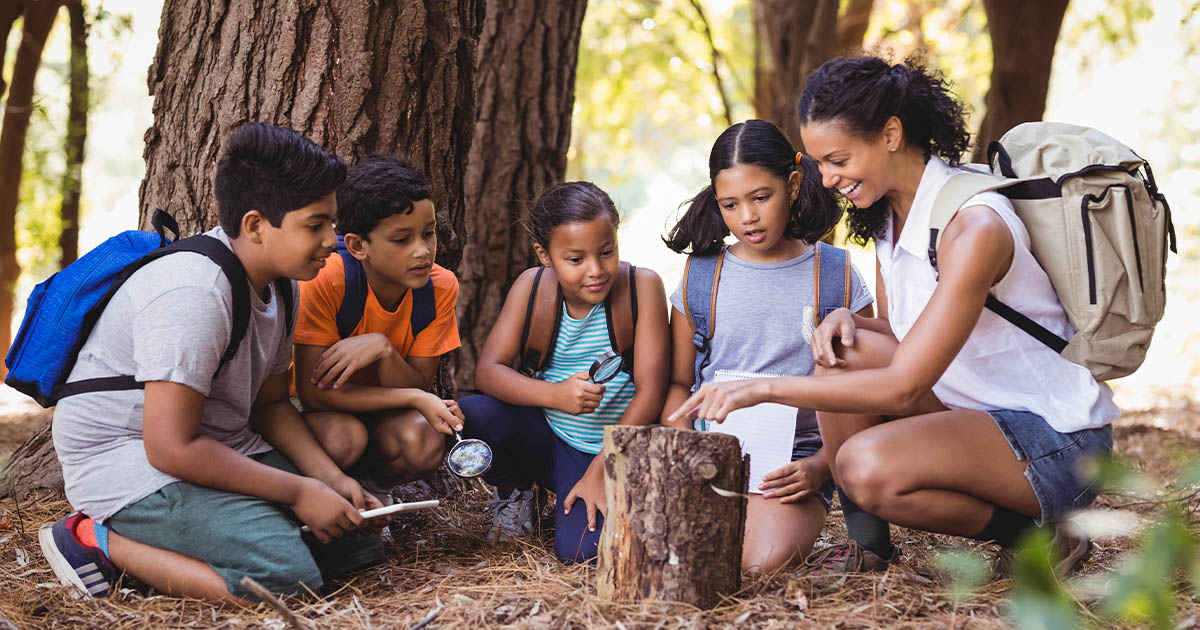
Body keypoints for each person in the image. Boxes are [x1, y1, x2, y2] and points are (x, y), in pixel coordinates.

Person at [667, 56, 1117, 576]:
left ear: (891, 134)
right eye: (819, 164)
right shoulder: (892, 217)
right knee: (841, 348)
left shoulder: (973, 228)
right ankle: (870, 547)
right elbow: (905, 334)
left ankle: (1040, 540)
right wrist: (848, 320)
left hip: (1054, 441)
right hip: (979, 414)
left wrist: (761, 389)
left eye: (838, 160)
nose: (828, 179)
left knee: (864, 468)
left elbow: (902, 387)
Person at [40, 123, 387, 603]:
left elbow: (269, 404)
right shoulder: (196, 294)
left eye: (332, 221)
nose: (333, 239)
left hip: (214, 441)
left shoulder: (282, 282)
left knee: (356, 546)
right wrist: (299, 493)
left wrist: (331, 480)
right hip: (131, 460)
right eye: (315, 225)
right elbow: (169, 448)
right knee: (284, 579)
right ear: (255, 226)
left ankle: (239, 532)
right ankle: (92, 539)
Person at [661, 119, 873, 573]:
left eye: (761, 197)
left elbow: (872, 389)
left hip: (796, 462)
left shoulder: (833, 274)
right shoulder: (701, 276)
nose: (748, 217)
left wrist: (820, 467)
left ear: (793, 185)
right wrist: (683, 450)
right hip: (710, 452)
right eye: (730, 205)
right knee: (691, 558)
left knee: (756, 565)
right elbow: (680, 381)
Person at [460, 181, 670, 563]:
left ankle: (588, 490)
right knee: (474, 412)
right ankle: (517, 488)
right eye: (576, 260)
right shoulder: (532, 289)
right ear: (545, 254)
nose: (596, 270)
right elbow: (488, 372)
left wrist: (603, 467)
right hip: (548, 438)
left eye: (607, 252)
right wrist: (556, 396)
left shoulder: (643, 287)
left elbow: (652, 393)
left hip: (609, 445)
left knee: (580, 553)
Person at [292, 154, 464, 502]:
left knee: (424, 438)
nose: (423, 251)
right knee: (345, 436)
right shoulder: (327, 280)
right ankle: (302, 501)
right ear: (358, 246)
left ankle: (370, 493)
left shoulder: (439, 287)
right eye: (402, 240)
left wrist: (384, 350)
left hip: (375, 411)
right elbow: (313, 394)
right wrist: (416, 397)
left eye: (428, 234)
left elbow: (417, 382)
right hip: (307, 413)